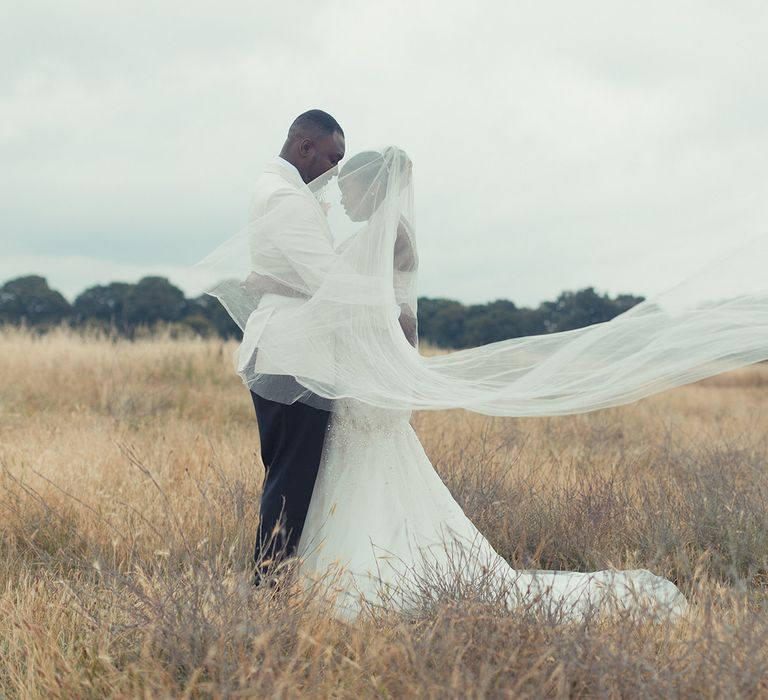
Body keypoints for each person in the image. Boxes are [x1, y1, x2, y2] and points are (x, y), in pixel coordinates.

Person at [199, 141, 768, 617]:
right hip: (357, 378)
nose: (337, 193)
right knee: (337, 478)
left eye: (346, 184)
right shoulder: (376, 235)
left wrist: (272, 284)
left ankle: (351, 577)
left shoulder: (387, 238)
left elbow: (369, 307)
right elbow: (386, 312)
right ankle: (318, 572)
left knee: (346, 475)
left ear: (371, 188)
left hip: (361, 381)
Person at [241, 109, 345, 583]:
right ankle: (268, 586)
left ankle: (275, 581)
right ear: (304, 148)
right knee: (291, 479)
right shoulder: (285, 197)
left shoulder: (279, 189)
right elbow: (328, 280)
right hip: (292, 355)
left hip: (286, 348)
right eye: (330, 159)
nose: (334, 173)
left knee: (287, 475)